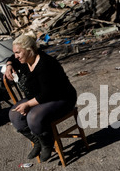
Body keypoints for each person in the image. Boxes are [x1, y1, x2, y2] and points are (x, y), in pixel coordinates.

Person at [4, 33, 77, 162]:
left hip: (61, 98)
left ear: (29, 50)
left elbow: (47, 94)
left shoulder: (46, 64)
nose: (16, 56)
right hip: (39, 97)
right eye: (15, 53)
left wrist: (28, 104)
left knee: (33, 116)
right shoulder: (24, 59)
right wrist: (9, 64)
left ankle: (47, 142)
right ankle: (37, 140)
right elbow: (13, 57)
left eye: (18, 53)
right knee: (14, 115)